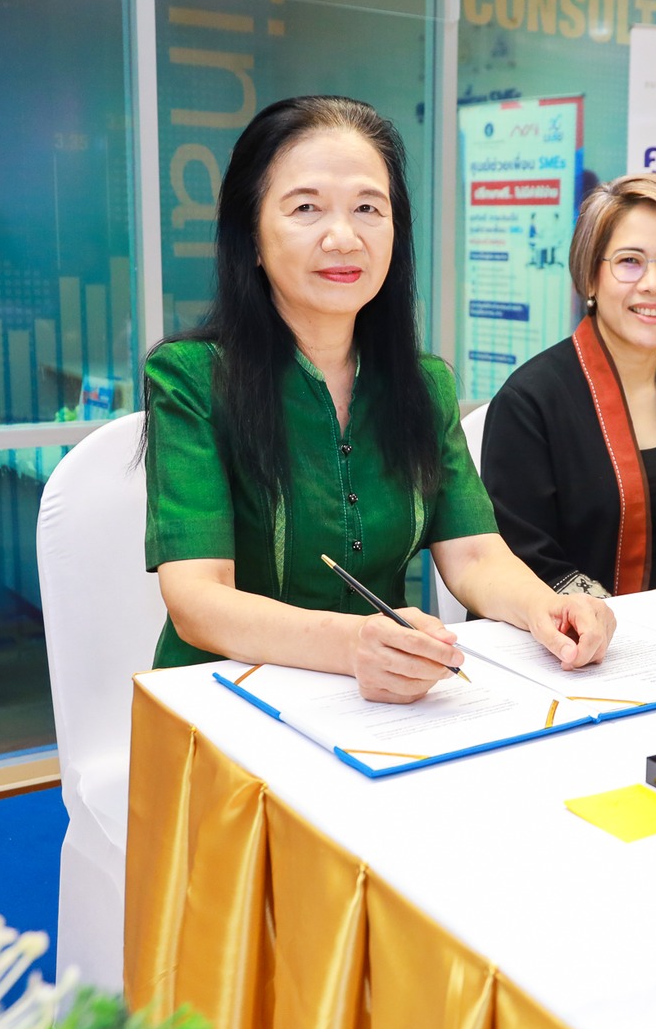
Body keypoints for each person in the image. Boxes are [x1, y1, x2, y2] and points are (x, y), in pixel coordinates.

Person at [145, 96, 615, 702]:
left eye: (368, 207)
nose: (344, 238)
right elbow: (198, 600)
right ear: (252, 237)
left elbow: (474, 556)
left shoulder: (424, 384)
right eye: (306, 208)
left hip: (383, 700)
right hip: (222, 701)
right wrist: (351, 644)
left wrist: (546, 607)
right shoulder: (189, 378)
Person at [482, 174, 656, 596]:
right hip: (562, 634)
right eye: (630, 261)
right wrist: (620, 626)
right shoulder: (529, 403)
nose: (653, 283)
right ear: (591, 277)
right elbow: (521, 560)